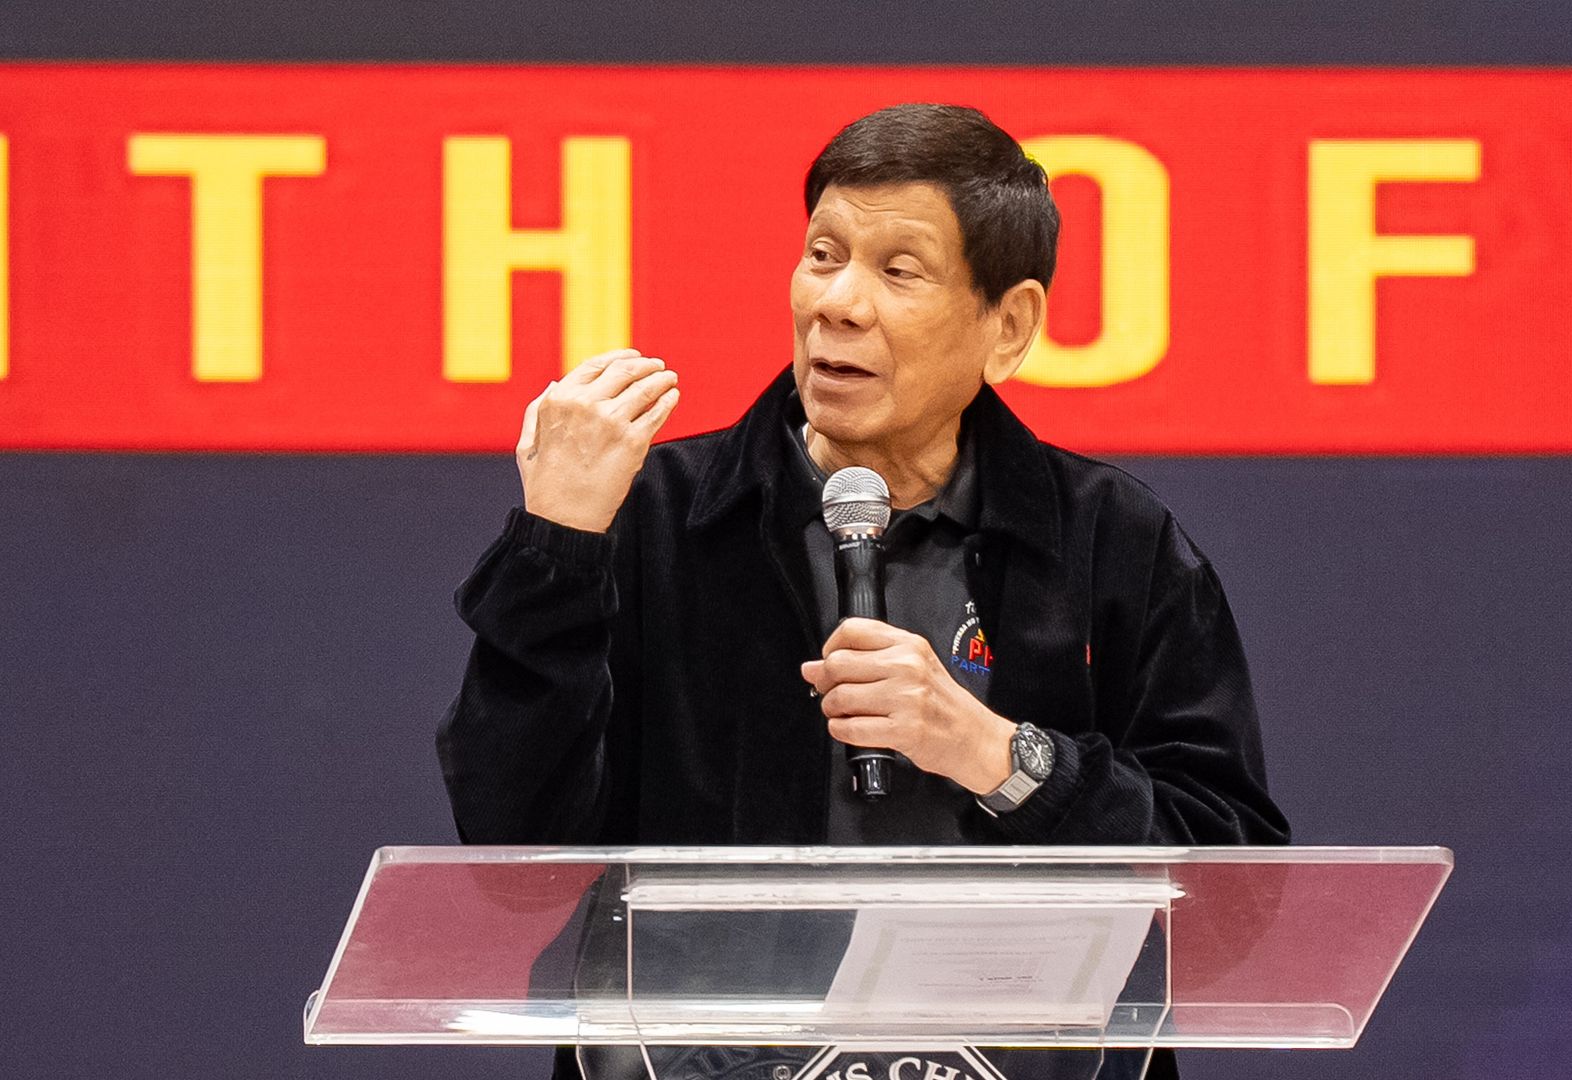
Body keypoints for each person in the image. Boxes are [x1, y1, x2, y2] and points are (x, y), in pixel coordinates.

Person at [437, 103, 1288, 1080]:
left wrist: (997, 754)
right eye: (823, 254)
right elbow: (514, 857)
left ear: (1006, 327)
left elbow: (1232, 899)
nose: (837, 303)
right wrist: (555, 545)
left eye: (898, 270)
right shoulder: (652, 521)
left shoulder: (1111, 542)